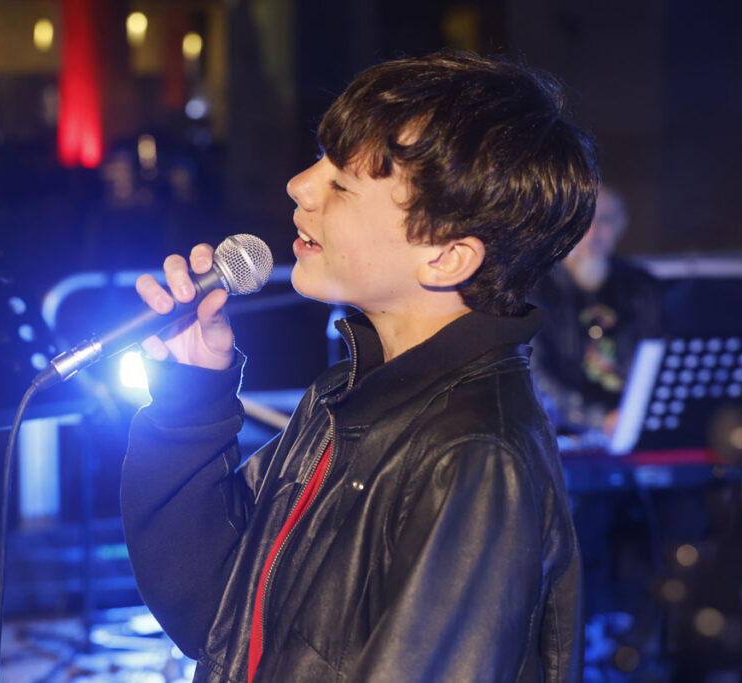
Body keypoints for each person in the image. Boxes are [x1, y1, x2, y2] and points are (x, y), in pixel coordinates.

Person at [121, 52, 597, 682]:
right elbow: (216, 613)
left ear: (448, 258)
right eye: (321, 160)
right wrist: (192, 397)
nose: (300, 186)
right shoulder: (354, 393)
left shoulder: (474, 455)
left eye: (342, 184)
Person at [530, 184, 663, 440]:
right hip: (564, 433)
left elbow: (657, 355)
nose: (592, 233)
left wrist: (636, 415)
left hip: (633, 428)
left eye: (604, 221)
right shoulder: (537, 289)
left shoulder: (643, 287)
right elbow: (537, 373)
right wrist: (599, 418)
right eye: (582, 221)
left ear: (621, 224)